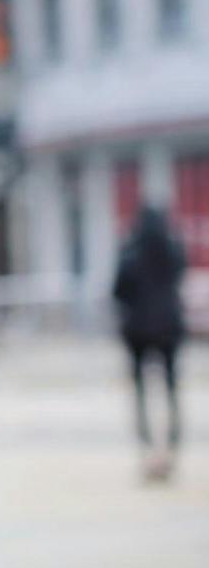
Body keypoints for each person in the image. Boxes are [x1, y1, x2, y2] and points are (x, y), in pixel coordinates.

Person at [113, 205, 187, 483]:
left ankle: (147, 449)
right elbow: (179, 278)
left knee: (141, 392)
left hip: (137, 331)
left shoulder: (129, 253)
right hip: (169, 327)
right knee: (170, 390)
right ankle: (171, 446)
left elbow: (117, 291)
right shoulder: (172, 250)